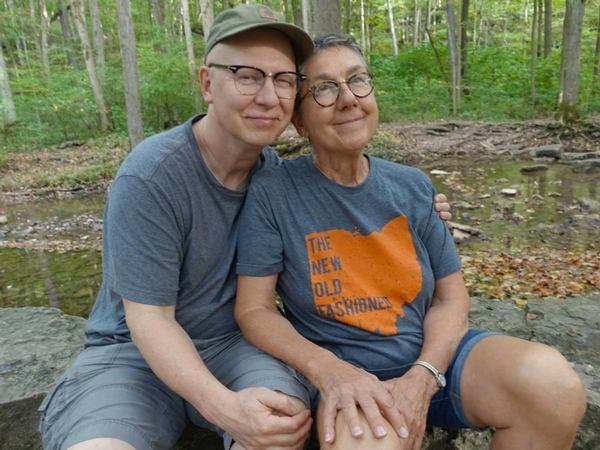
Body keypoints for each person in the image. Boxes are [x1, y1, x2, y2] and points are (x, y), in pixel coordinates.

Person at [38, 5, 452, 450]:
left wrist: (426, 213)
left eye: (283, 80)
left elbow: (347, 214)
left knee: (280, 430)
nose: (269, 97)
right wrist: (225, 409)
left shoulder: (273, 176)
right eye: (247, 76)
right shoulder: (152, 176)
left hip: (236, 349)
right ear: (207, 83)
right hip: (132, 355)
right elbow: (150, 320)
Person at [234, 33, 587, 450]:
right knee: (372, 441)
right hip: (344, 378)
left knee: (552, 386)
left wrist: (424, 375)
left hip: (436, 360)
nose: (348, 98)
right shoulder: (274, 193)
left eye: (357, 80)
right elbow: (254, 310)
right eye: (325, 89)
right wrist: (328, 371)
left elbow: (451, 299)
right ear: (299, 120)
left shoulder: (412, 187)